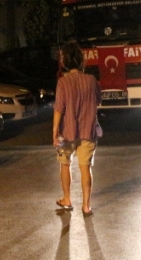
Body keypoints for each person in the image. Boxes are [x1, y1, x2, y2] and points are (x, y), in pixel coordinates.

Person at [53, 40, 102, 216]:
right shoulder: (92, 80)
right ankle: (86, 206)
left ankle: (66, 199)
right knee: (85, 167)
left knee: (65, 164)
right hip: (88, 130)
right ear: (82, 60)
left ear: (64, 61)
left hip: (67, 132)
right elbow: (98, 100)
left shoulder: (63, 82)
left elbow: (59, 108)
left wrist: (54, 132)